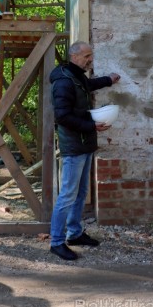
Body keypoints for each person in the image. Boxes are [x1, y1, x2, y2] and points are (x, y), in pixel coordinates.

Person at [49, 41, 120, 261]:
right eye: (86, 56)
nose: (90, 59)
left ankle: (75, 233)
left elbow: (87, 85)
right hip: (74, 145)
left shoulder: (77, 75)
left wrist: (108, 79)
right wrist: (91, 126)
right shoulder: (63, 82)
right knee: (68, 195)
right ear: (74, 56)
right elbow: (62, 116)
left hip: (85, 142)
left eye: (91, 55)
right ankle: (56, 242)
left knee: (80, 193)